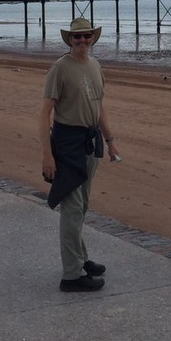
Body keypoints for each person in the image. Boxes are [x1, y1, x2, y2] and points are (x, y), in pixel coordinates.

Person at [40, 18, 121, 293]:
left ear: (93, 39)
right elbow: (43, 114)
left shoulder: (95, 66)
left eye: (87, 37)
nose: (83, 41)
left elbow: (99, 107)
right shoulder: (60, 69)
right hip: (66, 142)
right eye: (77, 38)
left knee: (81, 206)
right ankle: (71, 276)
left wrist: (110, 141)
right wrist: (47, 156)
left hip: (90, 141)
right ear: (69, 40)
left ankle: (81, 258)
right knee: (72, 210)